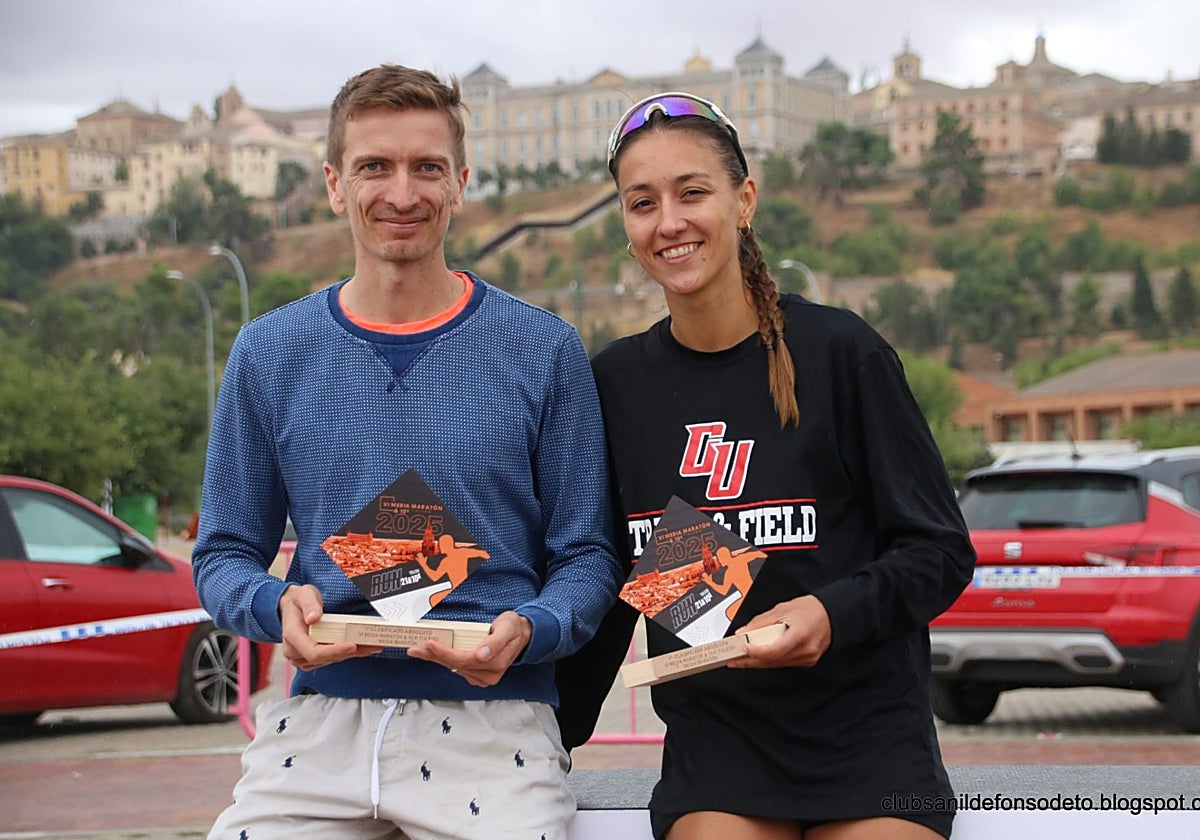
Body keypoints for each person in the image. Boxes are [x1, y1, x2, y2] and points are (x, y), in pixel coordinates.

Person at [191, 63, 620, 840]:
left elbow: (588, 555)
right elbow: (223, 551)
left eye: (426, 168)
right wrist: (270, 605)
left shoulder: (544, 350)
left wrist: (534, 627)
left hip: (495, 728)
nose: (402, 193)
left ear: (459, 183)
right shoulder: (268, 352)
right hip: (319, 726)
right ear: (333, 183)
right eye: (374, 168)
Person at [554, 92, 977, 840]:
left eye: (693, 193)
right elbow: (613, 573)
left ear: (744, 200)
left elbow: (938, 553)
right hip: (718, 750)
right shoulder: (615, 383)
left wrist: (829, 614)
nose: (669, 222)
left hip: (872, 743)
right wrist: (544, 729)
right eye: (641, 203)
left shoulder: (843, 354)